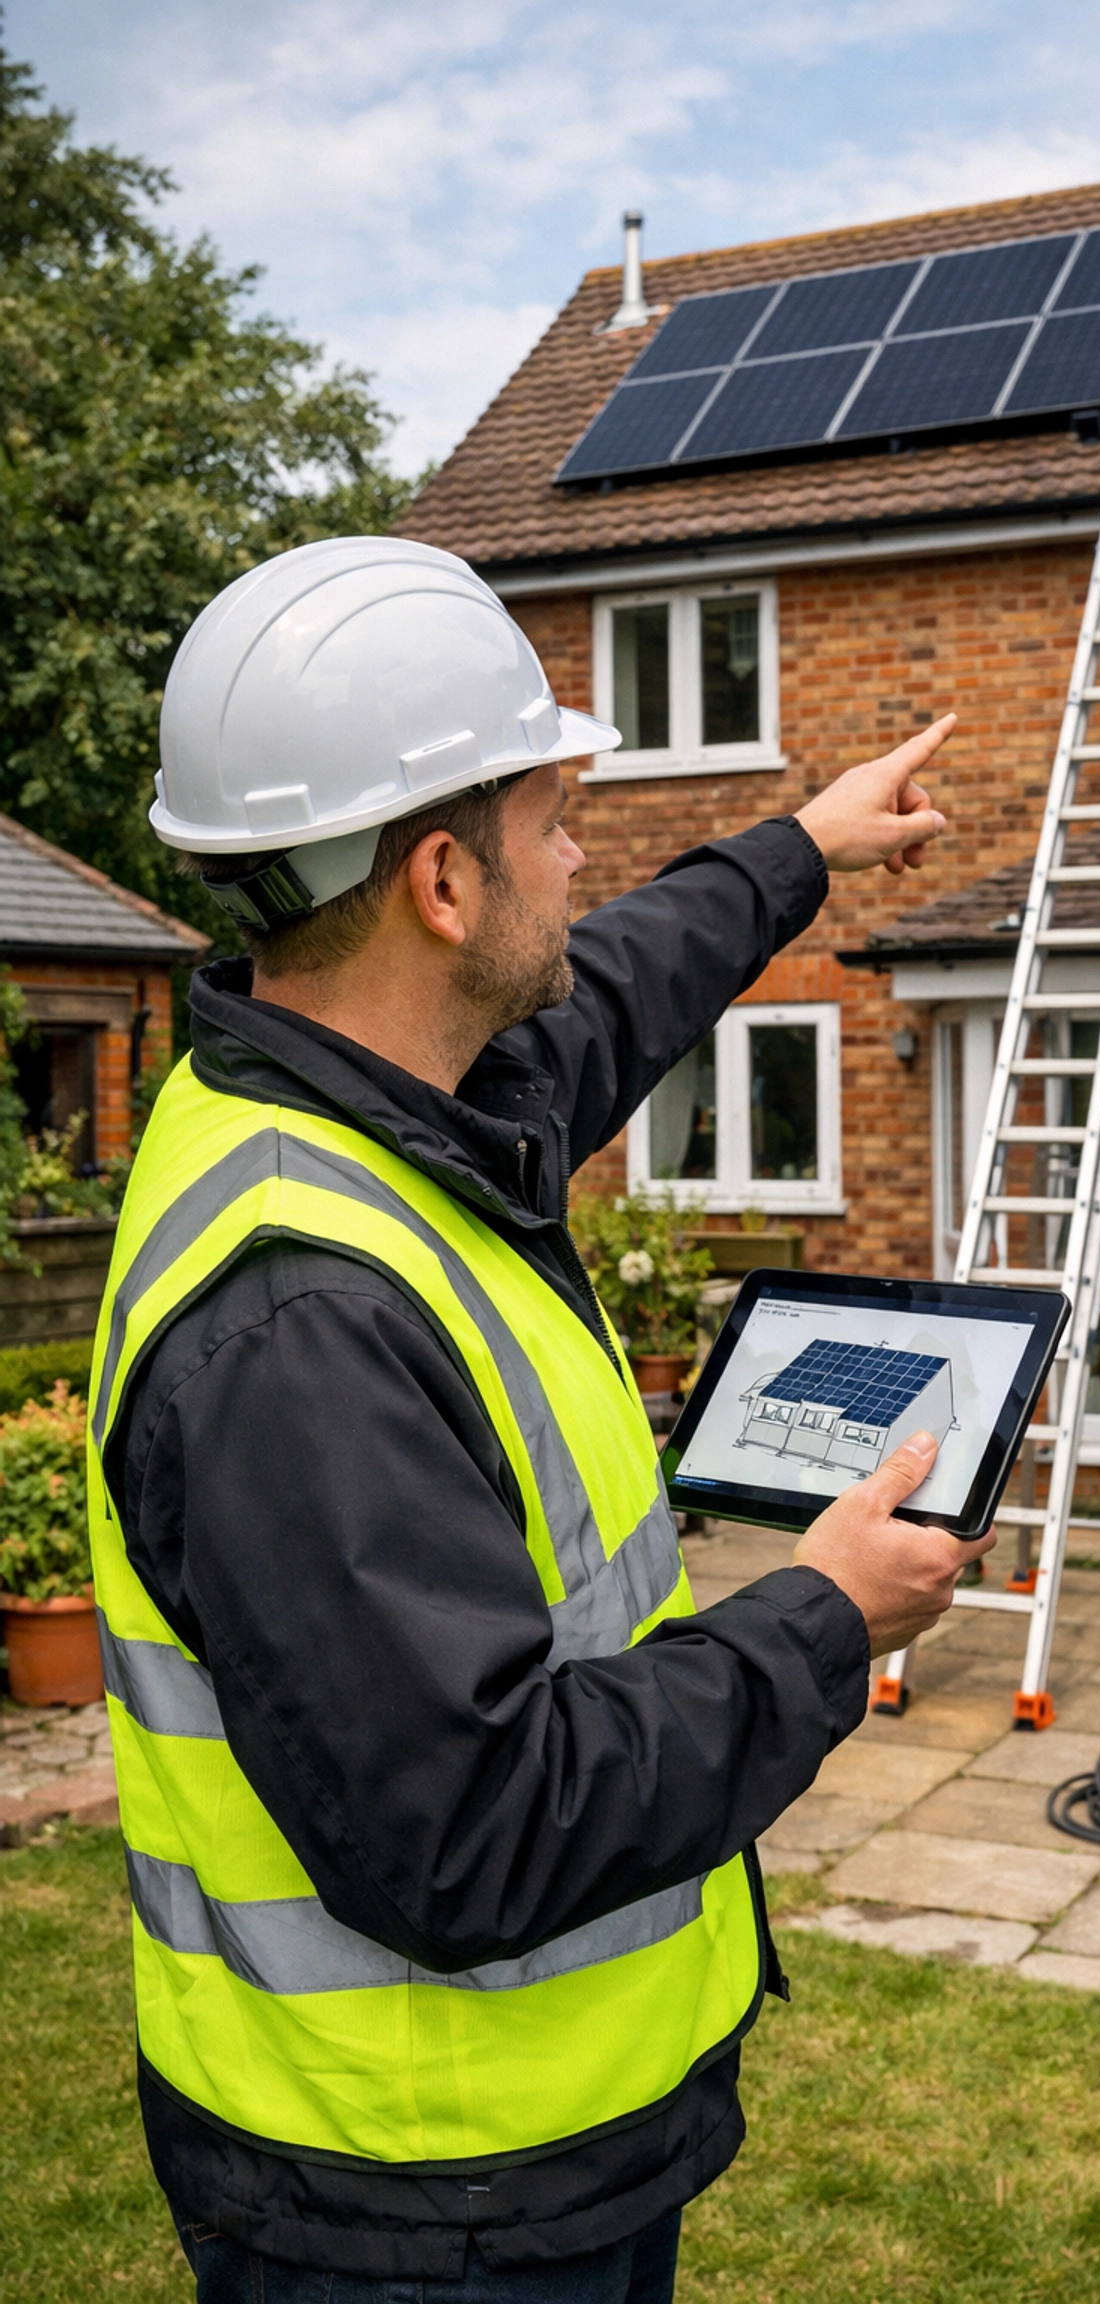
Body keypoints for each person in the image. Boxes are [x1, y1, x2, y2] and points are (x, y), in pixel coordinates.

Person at [88, 537, 995, 2304]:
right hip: (418, 2213)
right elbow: (472, 1826)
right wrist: (827, 1616)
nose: (586, 855)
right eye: (554, 817)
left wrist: (802, 847)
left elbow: (618, 985)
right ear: (441, 876)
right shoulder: (301, 1325)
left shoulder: (361, 1091)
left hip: (506, 2174)